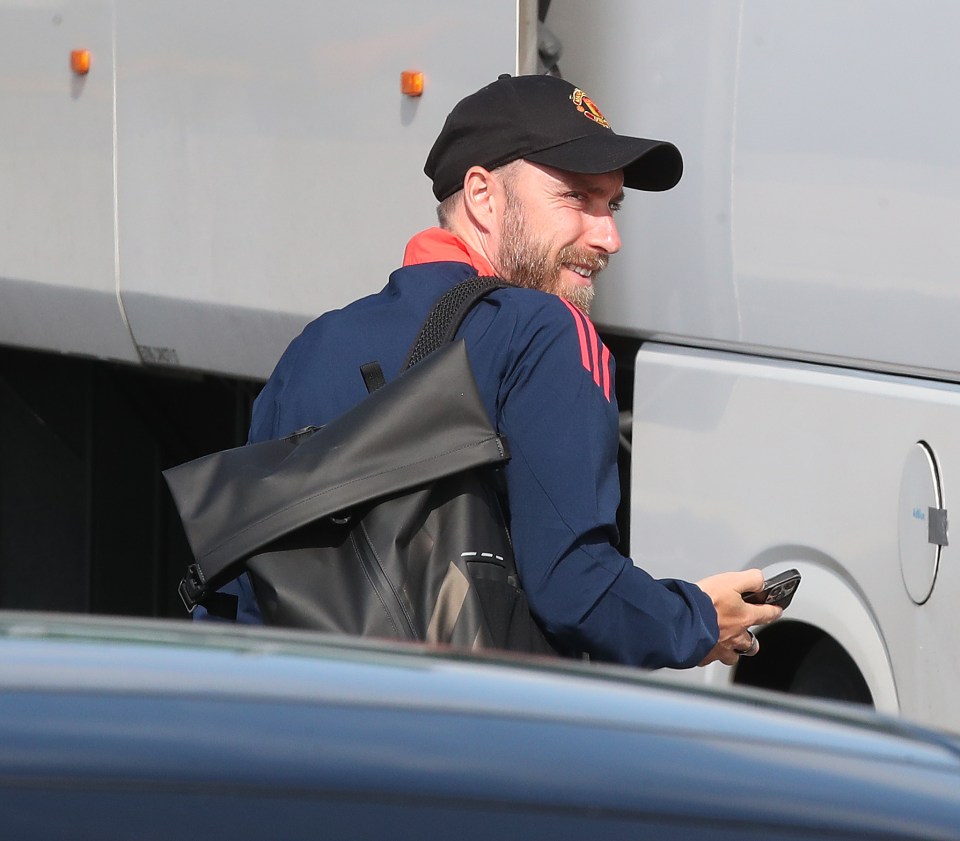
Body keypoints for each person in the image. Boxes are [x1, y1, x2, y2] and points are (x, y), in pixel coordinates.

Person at [198, 74, 781, 668]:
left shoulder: (312, 346)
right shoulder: (546, 331)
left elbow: (247, 591)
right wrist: (698, 617)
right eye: (578, 197)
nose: (609, 237)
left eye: (613, 205)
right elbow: (578, 593)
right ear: (482, 196)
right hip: (471, 735)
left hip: (318, 732)